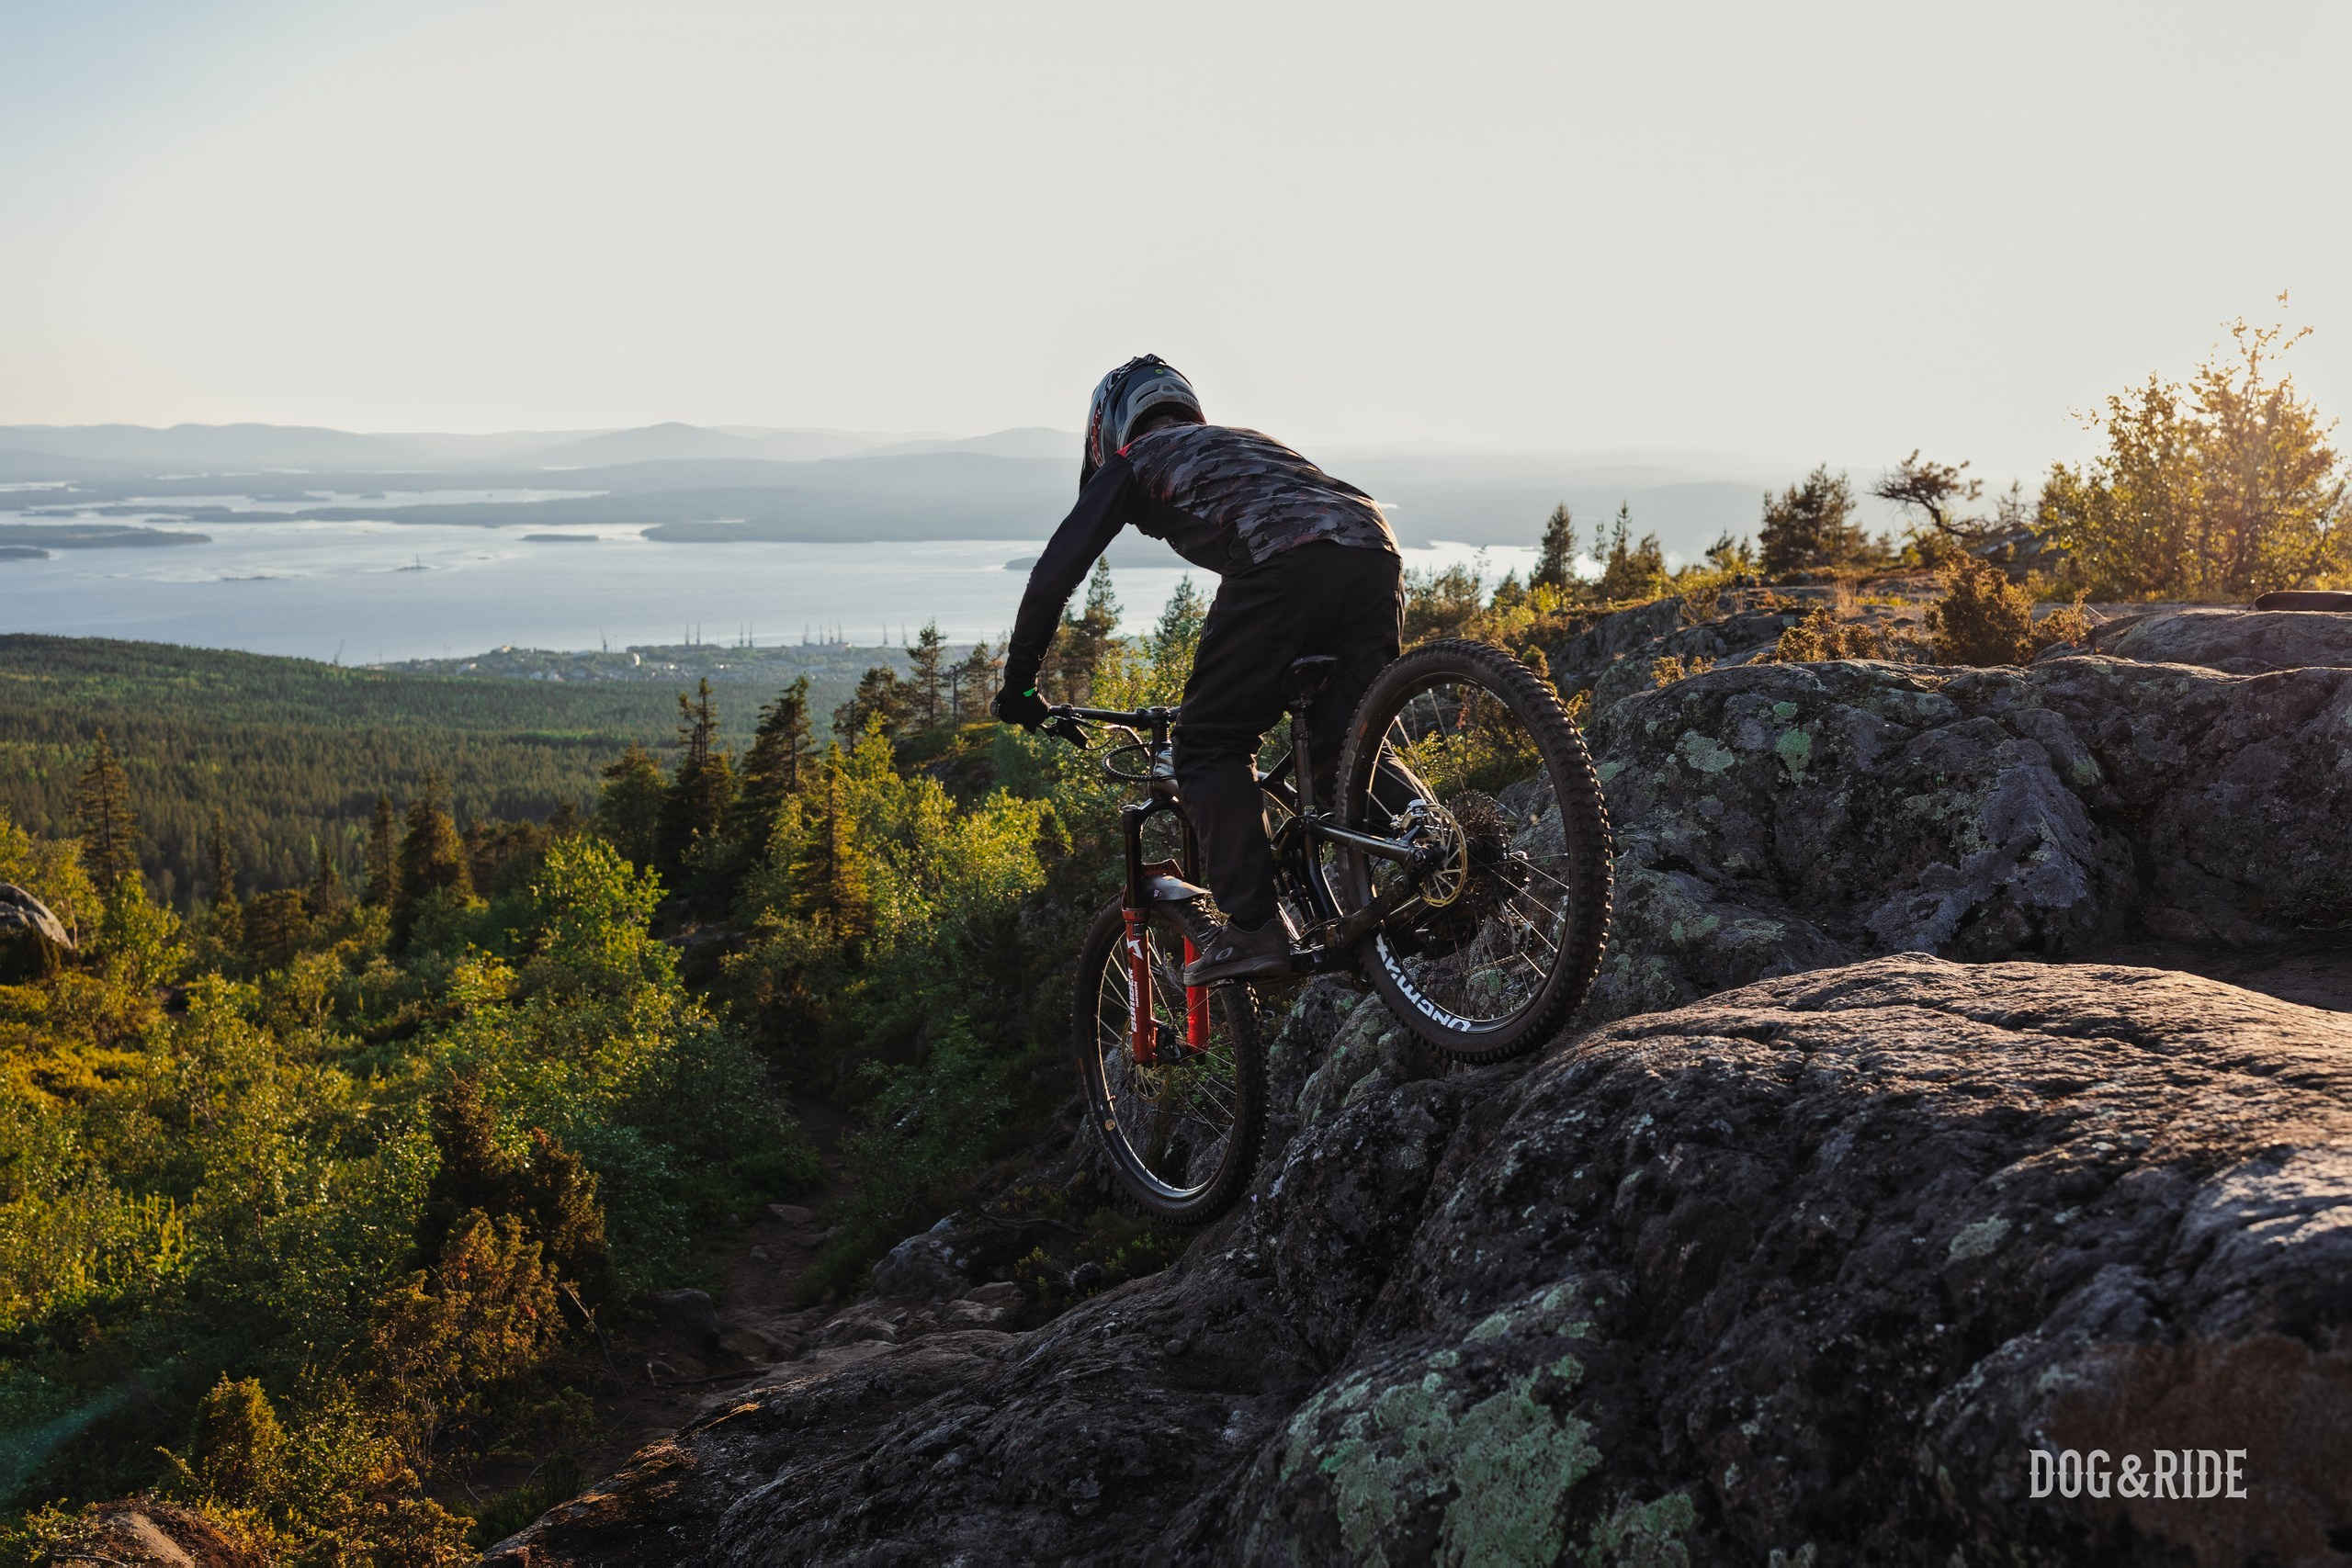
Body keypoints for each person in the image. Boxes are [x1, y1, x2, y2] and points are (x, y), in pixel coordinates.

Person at [992, 355, 1402, 984]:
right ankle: (1441, 869)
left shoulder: (1136, 461)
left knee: (1209, 741)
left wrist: (1020, 684)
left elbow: (1054, 575)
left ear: (1109, 430)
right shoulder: (1246, 442)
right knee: (1347, 749)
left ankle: (1254, 928)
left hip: (1282, 558)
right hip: (1373, 548)